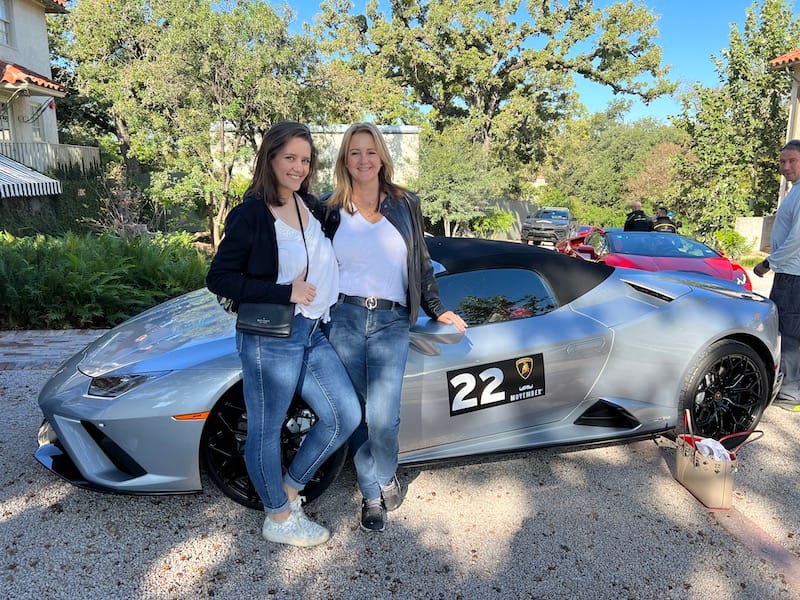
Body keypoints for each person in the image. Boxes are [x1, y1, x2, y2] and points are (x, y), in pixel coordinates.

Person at [206, 121, 361, 546]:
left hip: (313, 331)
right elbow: (219, 278)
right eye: (289, 157)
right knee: (265, 427)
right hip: (271, 337)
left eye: (305, 160)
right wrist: (284, 291)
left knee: (345, 414)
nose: (297, 166)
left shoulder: (308, 206)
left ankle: (289, 491)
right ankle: (277, 518)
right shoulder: (252, 213)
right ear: (270, 158)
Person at [317, 122, 468, 532]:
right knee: (360, 415)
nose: (363, 160)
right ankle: (371, 494)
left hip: (390, 320)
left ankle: (386, 474)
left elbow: (420, 262)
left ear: (382, 156)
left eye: (370, 151)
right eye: (354, 153)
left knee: (384, 416)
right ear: (344, 160)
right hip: (343, 318)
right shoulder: (329, 208)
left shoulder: (405, 203)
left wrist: (437, 308)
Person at [754, 139, 800, 411]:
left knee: (789, 331)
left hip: (793, 275)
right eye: (783, 162)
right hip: (790, 273)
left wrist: (768, 263)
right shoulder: (794, 191)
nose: (785, 167)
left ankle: (791, 392)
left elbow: (796, 240)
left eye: (792, 161)